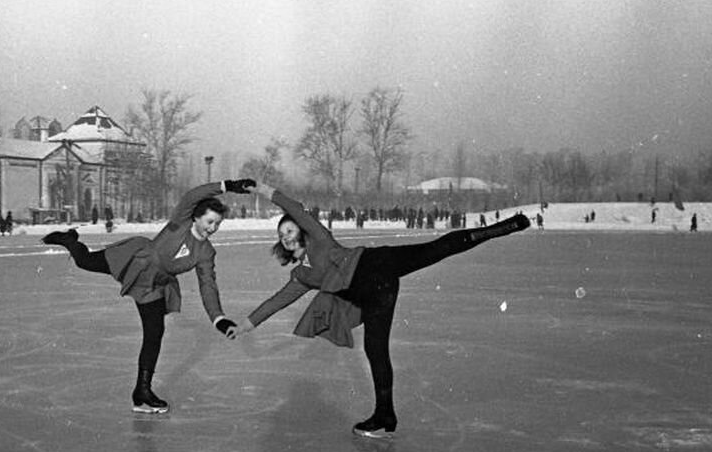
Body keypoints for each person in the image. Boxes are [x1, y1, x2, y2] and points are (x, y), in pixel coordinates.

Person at [233, 184, 530, 438]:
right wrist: (246, 325)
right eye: (281, 234)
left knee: (435, 249)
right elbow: (277, 301)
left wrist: (261, 189)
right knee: (376, 351)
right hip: (376, 294)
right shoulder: (301, 276)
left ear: (300, 230)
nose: (285, 236)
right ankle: (385, 415)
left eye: (289, 229)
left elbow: (293, 206)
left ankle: (500, 229)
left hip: (376, 264)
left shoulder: (319, 240)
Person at [41, 180, 256, 413]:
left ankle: (142, 391)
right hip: (135, 259)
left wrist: (218, 318)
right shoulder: (179, 223)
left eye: (217, 224)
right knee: (84, 262)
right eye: (210, 221)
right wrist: (228, 185)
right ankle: (70, 240)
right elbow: (194, 194)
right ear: (196, 217)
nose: (213, 228)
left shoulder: (205, 251)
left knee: (154, 333)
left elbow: (207, 285)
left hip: (154, 285)